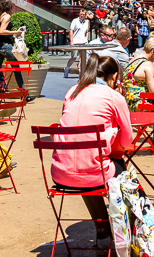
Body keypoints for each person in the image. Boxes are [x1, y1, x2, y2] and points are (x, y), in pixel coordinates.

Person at [51, 54, 134, 250]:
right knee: (115, 170)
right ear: (114, 77)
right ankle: (128, 230)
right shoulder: (114, 96)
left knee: (86, 166)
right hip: (95, 172)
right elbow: (127, 140)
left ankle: (102, 230)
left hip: (60, 172)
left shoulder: (72, 91)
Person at [66, 10, 90, 78]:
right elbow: (71, 31)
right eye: (80, 14)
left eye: (83, 14)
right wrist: (71, 41)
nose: (81, 15)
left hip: (83, 42)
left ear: (85, 15)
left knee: (83, 57)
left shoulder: (86, 22)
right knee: (74, 57)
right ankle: (67, 68)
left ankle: (82, 72)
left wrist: (86, 39)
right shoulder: (75, 21)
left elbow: (87, 31)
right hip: (75, 42)